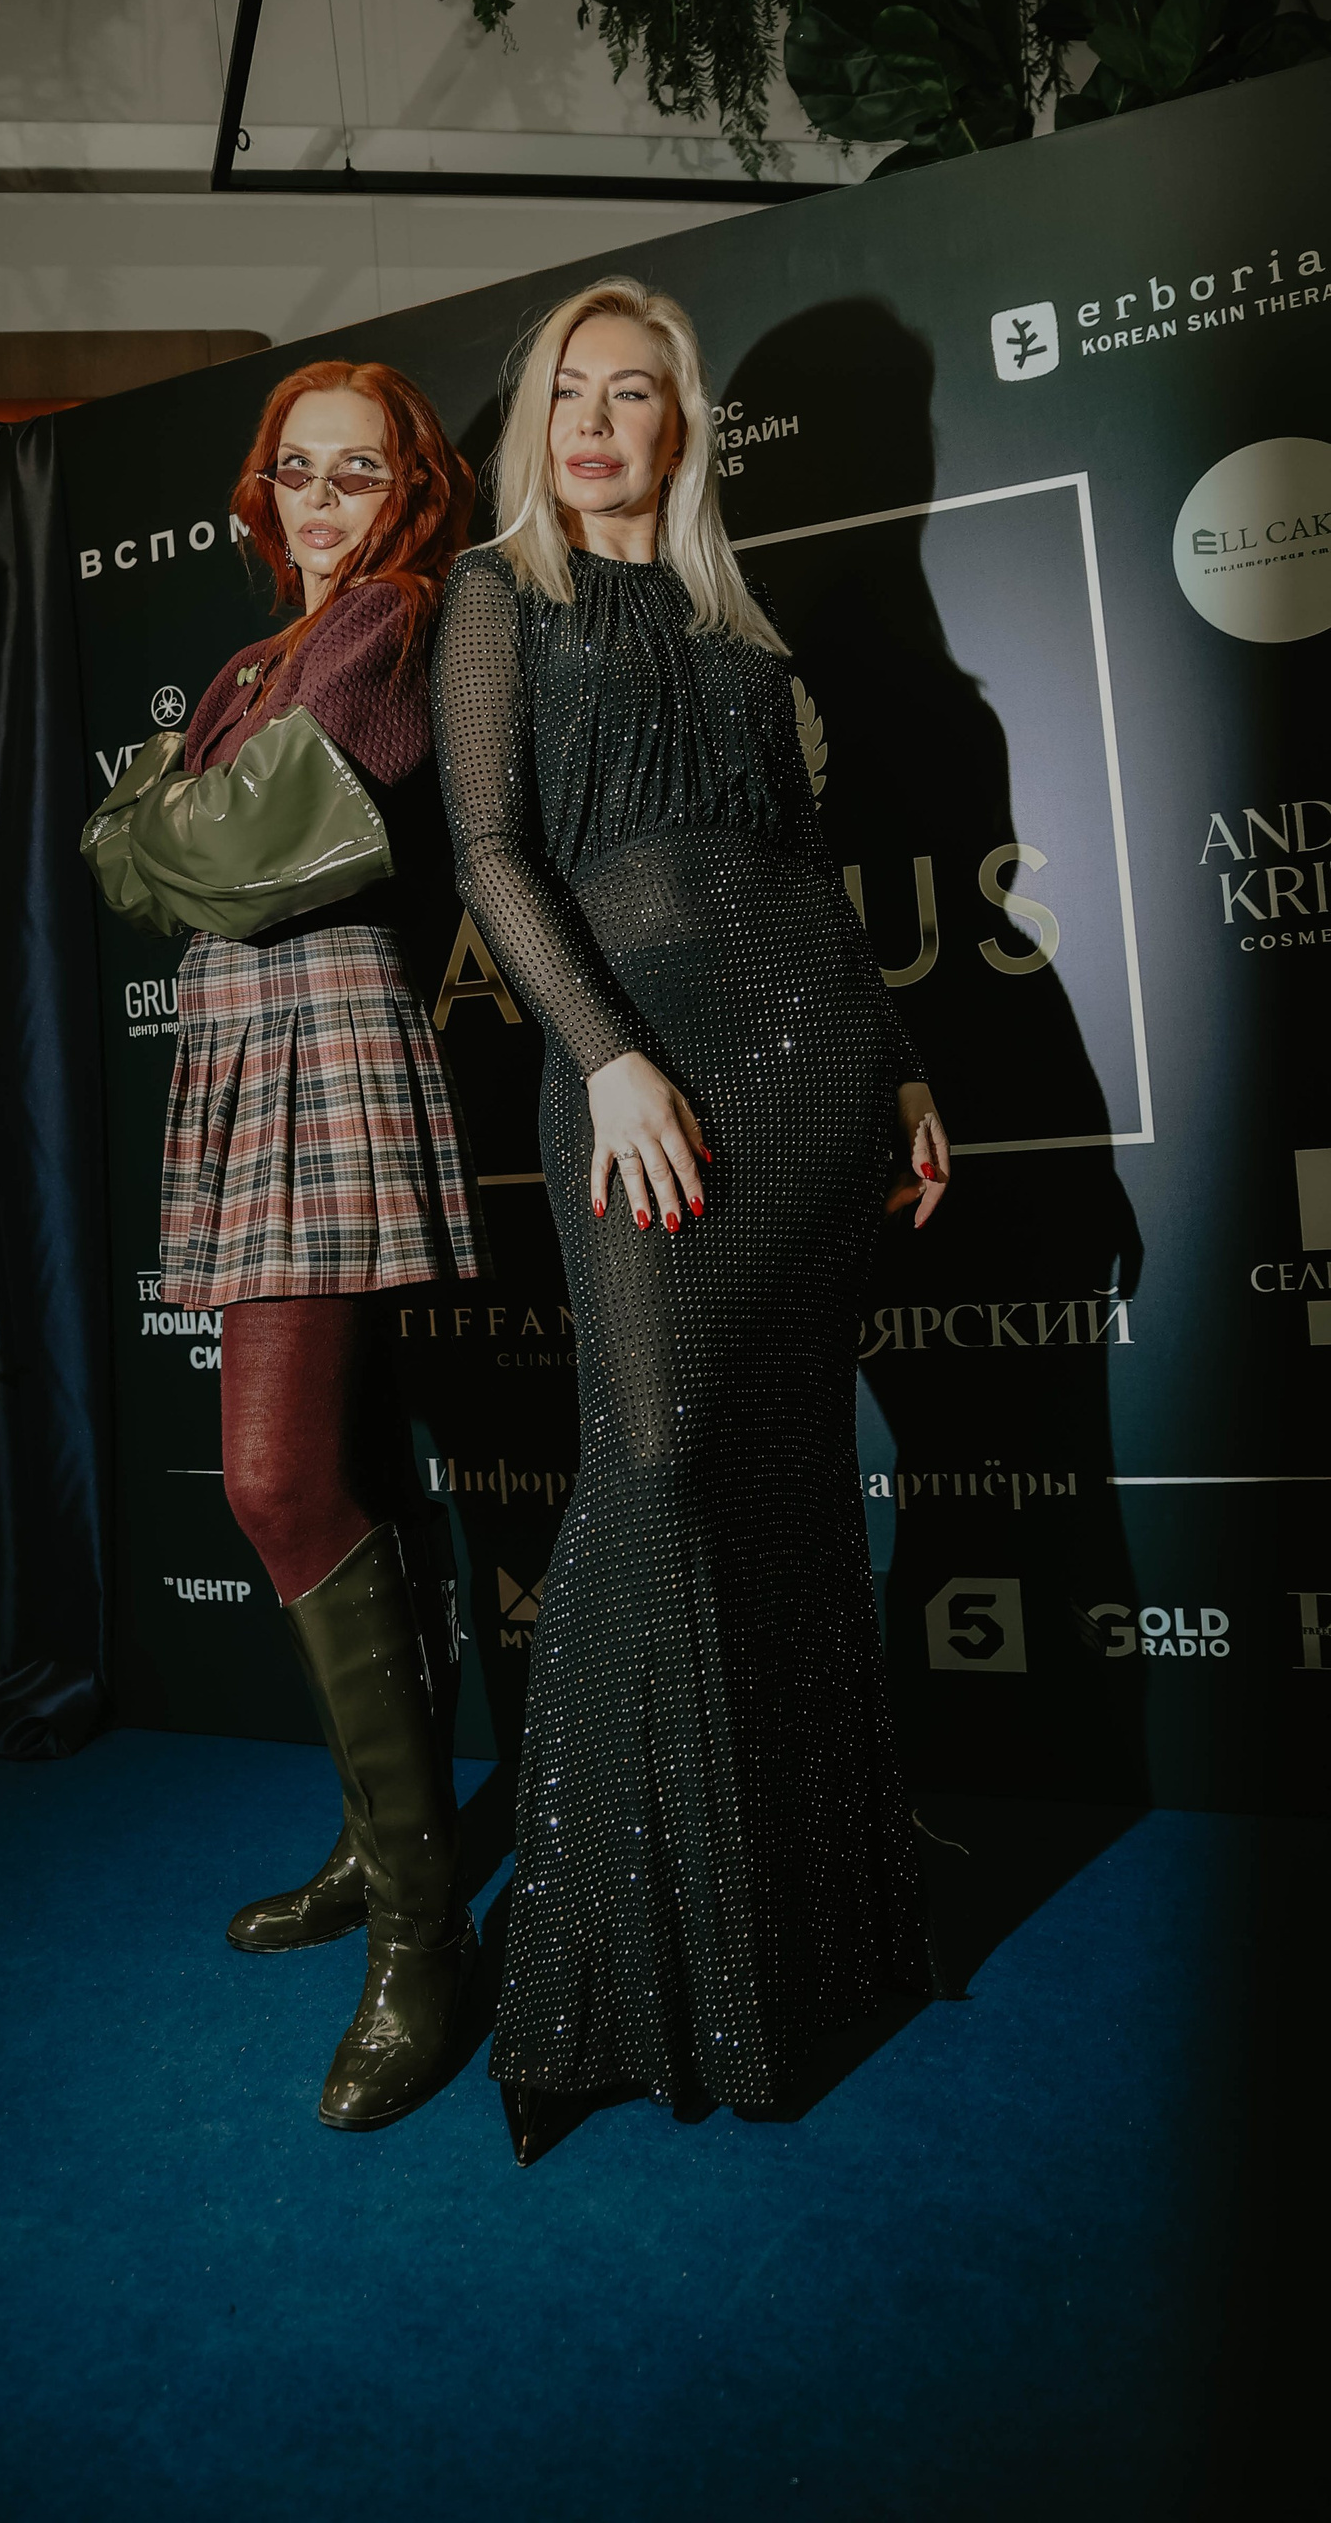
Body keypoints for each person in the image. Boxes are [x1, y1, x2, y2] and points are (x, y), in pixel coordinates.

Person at [430, 277, 950, 2161]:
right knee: (652, 1466)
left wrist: (900, 1070)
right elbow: (493, 850)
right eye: (567, 393)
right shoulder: (502, 596)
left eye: (630, 393)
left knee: (786, 1482)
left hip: (814, 1074)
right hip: (638, 1077)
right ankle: (603, 1980)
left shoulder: (742, 624)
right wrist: (612, 1060)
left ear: (681, 424)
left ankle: (801, 1938)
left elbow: (805, 865)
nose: (592, 424)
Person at [151, 359, 483, 2132]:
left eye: (359, 472)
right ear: (262, 489)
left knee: (275, 1482)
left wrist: (173, 821)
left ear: (409, 490)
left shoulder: (392, 624)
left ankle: (429, 1940)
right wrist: (177, 826)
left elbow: (216, 842)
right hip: (238, 1040)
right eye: (298, 471)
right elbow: (149, 856)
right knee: (344, 1467)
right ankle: (379, 1849)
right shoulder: (246, 663)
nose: (324, 501)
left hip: (328, 1036)